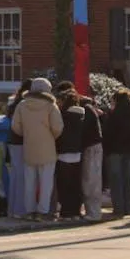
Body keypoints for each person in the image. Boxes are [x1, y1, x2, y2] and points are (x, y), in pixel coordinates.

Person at [11, 77, 64, 221]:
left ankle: (30, 210)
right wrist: (50, 136)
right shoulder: (51, 106)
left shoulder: (22, 105)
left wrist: (26, 133)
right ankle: (43, 211)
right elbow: (58, 127)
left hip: (29, 146)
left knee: (30, 181)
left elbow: (16, 126)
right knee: (46, 182)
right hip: (48, 148)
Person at [104, 91, 130, 217]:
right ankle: (129, 207)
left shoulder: (113, 116)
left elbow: (107, 134)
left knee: (116, 181)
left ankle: (119, 208)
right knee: (129, 180)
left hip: (115, 151)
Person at [54, 85, 86, 221]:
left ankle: (66, 212)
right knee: (75, 184)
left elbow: (59, 134)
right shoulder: (81, 115)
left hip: (63, 153)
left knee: (64, 185)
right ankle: (76, 211)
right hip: (77, 153)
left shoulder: (63, 116)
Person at [6, 79, 31, 219]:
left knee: (15, 176)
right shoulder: (24, 104)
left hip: (12, 141)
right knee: (22, 176)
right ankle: (20, 209)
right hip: (21, 141)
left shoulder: (13, 102)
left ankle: (12, 209)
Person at [78, 96, 104, 222]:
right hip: (95, 147)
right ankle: (94, 212)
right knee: (93, 180)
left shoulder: (86, 110)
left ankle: (93, 213)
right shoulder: (91, 111)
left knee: (90, 180)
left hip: (90, 148)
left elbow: (83, 131)